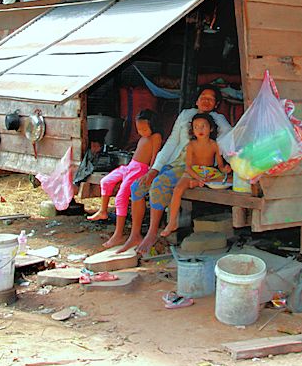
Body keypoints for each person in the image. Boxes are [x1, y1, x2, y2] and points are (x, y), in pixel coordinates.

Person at [116, 85, 232, 255]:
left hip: (194, 167)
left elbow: (229, 138)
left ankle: (152, 233)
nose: (206, 101)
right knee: (137, 186)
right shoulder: (186, 115)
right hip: (174, 161)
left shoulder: (218, 120)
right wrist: (155, 168)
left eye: (211, 99)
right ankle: (135, 235)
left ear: (216, 104)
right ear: (196, 100)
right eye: (203, 97)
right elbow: (172, 142)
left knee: (160, 183)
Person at [87, 109, 162, 249]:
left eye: (144, 129)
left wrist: (151, 172)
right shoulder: (144, 137)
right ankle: (103, 211)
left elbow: (155, 156)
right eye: (139, 129)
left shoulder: (155, 137)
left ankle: (118, 234)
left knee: (121, 197)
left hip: (140, 170)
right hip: (130, 166)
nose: (141, 132)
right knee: (105, 181)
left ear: (153, 125)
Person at [160, 113, 230, 238]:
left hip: (208, 173)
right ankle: (172, 222)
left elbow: (220, 166)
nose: (200, 129)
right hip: (193, 172)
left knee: (229, 179)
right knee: (178, 189)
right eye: (196, 127)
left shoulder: (214, 145)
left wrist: (225, 169)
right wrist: (198, 178)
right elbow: (188, 167)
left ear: (211, 128)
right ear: (192, 130)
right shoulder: (191, 145)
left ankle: (196, 184)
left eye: (203, 126)